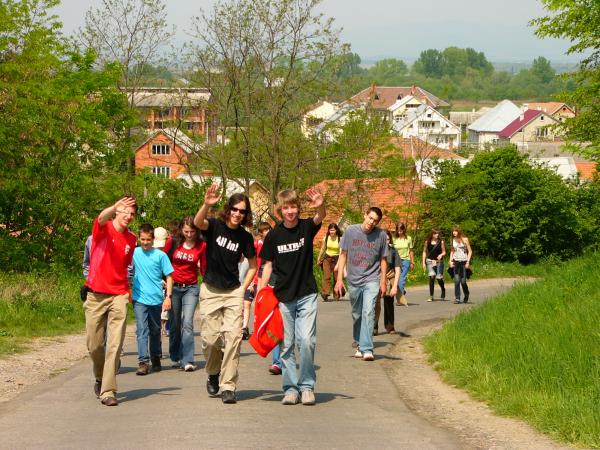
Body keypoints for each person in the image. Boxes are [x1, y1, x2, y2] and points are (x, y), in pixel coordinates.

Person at [259, 188, 325, 406]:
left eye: (293, 207)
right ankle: (290, 389)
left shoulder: (306, 227)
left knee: (306, 341)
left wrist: (320, 205)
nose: (290, 211)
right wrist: (261, 293)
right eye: (286, 207)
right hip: (283, 297)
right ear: (280, 210)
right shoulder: (273, 236)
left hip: (306, 294)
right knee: (286, 345)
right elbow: (267, 265)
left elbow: (320, 216)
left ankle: (306, 387)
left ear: (298, 208)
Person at [194, 185, 257, 404]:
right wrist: (206, 204)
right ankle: (213, 371)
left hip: (233, 293)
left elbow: (253, 265)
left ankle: (228, 385)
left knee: (234, 338)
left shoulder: (245, 237)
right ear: (228, 209)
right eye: (235, 209)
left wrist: (243, 288)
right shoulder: (214, 226)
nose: (238, 214)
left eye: (242, 211)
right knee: (210, 340)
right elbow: (197, 223)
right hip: (211, 290)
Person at [84, 196, 137, 406]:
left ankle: (108, 390)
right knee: (94, 345)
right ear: (117, 211)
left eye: (132, 214)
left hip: (119, 294)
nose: (128, 216)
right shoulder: (103, 229)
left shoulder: (131, 239)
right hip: (96, 294)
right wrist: (114, 206)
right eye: (125, 211)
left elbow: (126, 267)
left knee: (115, 344)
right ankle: (99, 377)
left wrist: (128, 291)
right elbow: (100, 218)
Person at [335, 207, 387, 362]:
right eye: (370, 218)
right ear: (365, 215)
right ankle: (358, 342)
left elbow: (383, 259)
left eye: (375, 220)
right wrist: (339, 279)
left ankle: (367, 348)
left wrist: (383, 281)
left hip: (372, 279)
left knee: (369, 312)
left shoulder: (381, 235)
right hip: (354, 280)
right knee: (357, 314)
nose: (371, 222)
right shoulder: (351, 231)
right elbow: (343, 255)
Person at [163, 216, 207, 372]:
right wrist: (163, 280)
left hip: (191, 288)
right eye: (186, 231)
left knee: (187, 322)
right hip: (174, 287)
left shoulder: (201, 245)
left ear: (197, 231)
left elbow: (204, 268)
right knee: (175, 324)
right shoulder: (173, 242)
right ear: (181, 230)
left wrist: (207, 284)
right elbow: (163, 260)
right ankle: (175, 356)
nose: (189, 234)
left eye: (192, 231)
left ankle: (188, 359)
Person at [132, 224, 174, 376]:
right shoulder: (134, 253)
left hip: (155, 299)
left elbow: (169, 276)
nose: (145, 242)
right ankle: (143, 362)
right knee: (142, 329)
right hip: (139, 298)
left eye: (148, 240)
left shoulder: (160, 256)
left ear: (153, 239)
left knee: (155, 330)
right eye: (142, 239)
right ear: (139, 238)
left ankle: (155, 356)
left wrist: (168, 297)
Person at [374, 230, 400, 335]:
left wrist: (395, 286)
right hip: (376, 278)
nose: (386, 241)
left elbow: (397, 269)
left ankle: (390, 326)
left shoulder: (393, 251)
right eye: (384, 239)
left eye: (388, 239)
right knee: (375, 304)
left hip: (389, 278)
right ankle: (374, 326)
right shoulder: (375, 250)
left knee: (389, 303)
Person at [317, 223, 343, 302]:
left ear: (336, 230)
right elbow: (323, 248)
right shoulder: (326, 238)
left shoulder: (340, 239)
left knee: (336, 277)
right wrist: (319, 258)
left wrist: (339, 263)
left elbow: (341, 252)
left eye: (333, 230)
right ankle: (325, 293)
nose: (332, 232)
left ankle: (337, 294)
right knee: (327, 276)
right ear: (328, 230)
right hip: (327, 258)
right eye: (330, 230)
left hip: (337, 259)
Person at [449, 225, 473, 304]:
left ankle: (466, 294)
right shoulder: (453, 240)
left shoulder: (465, 239)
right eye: (453, 231)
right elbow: (452, 251)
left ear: (459, 231)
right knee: (456, 281)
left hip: (463, 263)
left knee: (463, 282)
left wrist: (468, 262)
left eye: (455, 231)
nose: (454, 232)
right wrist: (450, 261)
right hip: (456, 262)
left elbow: (470, 251)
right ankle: (457, 298)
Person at [422, 229, 447, 302]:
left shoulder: (441, 242)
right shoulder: (427, 242)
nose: (437, 235)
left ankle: (443, 289)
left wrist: (441, 255)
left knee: (439, 278)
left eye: (438, 233)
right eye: (435, 234)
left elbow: (444, 252)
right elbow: (424, 252)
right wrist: (423, 262)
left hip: (439, 262)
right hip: (430, 261)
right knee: (432, 277)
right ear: (432, 234)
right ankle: (431, 296)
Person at [393, 222, 414, 306]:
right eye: (398, 230)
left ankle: (399, 300)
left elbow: (411, 251)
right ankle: (402, 291)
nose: (399, 232)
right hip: (395, 261)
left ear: (404, 230)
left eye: (401, 230)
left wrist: (412, 262)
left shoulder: (408, 238)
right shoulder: (394, 239)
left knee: (401, 280)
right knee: (396, 280)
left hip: (405, 260)